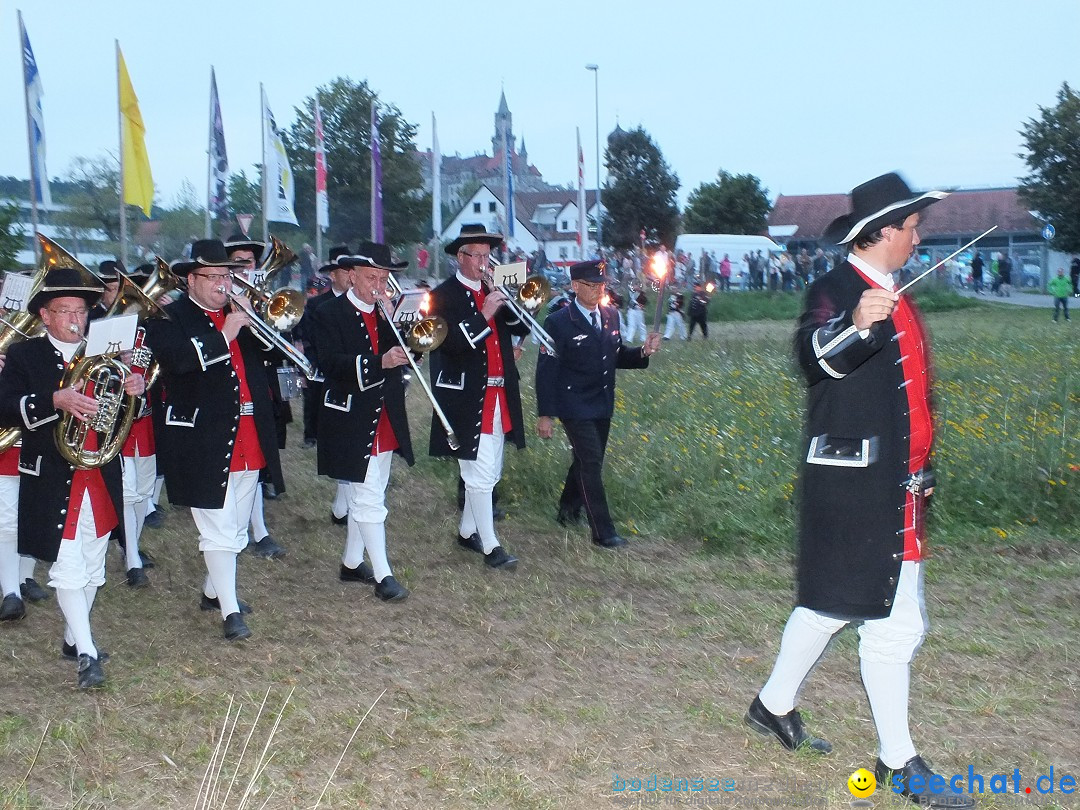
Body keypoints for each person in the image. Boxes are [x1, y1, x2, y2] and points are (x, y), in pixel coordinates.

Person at [744, 173, 974, 809]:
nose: (918, 237)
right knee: (892, 624)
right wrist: (853, 323)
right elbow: (812, 359)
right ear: (881, 232)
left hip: (898, 486)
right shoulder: (837, 289)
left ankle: (772, 705)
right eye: (911, 227)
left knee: (835, 605)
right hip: (855, 483)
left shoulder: (896, 290)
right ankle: (900, 763)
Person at [0, 262, 144, 687]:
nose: (75, 319)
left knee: (93, 563)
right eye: (64, 311)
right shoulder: (26, 354)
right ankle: (87, 652)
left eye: (81, 311)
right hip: (50, 472)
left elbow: (123, 416)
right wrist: (53, 400)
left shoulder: (100, 353)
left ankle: (70, 636)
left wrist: (134, 387)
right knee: (67, 565)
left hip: (99, 469)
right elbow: (5, 406)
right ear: (45, 315)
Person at [145, 239, 283, 642]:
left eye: (228, 275)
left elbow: (272, 355)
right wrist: (225, 332)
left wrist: (257, 319)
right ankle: (230, 609)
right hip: (200, 433)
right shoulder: (167, 317)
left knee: (237, 526)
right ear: (191, 279)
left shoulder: (238, 312)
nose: (224, 284)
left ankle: (212, 591)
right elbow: (180, 362)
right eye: (215, 276)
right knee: (218, 526)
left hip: (247, 430)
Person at [311, 242, 413, 601]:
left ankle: (353, 561)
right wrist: (378, 362)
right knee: (368, 495)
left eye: (384, 278)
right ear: (351, 276)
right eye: (372, 277)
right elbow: (330, 364)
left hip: (384, 413)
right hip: (350, 414)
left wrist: (398, 326)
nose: (378, 284)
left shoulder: (386, 312)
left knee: (369, 489)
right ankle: (384, 574)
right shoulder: (329, 313)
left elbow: (407, 354)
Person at [536, 260, 660, 548]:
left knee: (586, 460)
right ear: (575, 286)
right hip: (573, 403)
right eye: (590, 286)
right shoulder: (558, 322)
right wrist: (546, 414)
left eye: (601, 286)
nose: (597, 291)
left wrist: (643, 351)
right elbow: (546, 371)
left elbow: (615, 356)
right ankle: (603, 532)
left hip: (602, 402)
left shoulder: (611, 315)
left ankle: (567, 510)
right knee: (591, 462)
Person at [427, 224, 529, 570]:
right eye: (480, 256)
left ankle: (467, 529)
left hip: (500, 391)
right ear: (461, 257)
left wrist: (513, 300)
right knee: (479, 472)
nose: (486, 262)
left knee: (491, 469)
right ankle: (491, 546)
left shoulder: (494, 289)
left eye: (489, 256)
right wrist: (484, 312)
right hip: (466, 394)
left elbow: (521, 327)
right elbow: (448, 345)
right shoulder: (443, 296)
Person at [223, 234, 287, 560]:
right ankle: (246, 532)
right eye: (236, 263)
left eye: (247, 263)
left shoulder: (256, 299)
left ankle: (257, 530)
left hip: (260, 388)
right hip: (228, 394)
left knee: (257, 461)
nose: (243, 268)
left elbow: (275, 348)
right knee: (239, 469)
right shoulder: (220, 303)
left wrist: (256, 315)